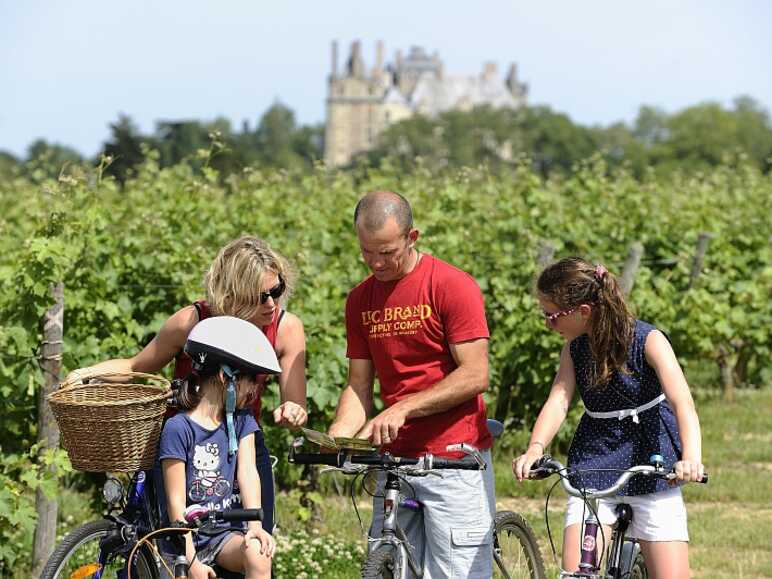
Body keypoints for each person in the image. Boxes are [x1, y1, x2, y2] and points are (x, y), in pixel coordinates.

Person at [67, 236, 307, 532]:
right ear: (231, 296)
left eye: (276, 290)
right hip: (184, 446)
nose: (271, 303)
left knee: (254, 545)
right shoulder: (192, 321)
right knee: (179, 548)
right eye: (259, 297)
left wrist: (293, 411)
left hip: (240, 447)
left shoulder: (286, 328)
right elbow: (134, 366)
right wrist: (86, 373)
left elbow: (296, 407)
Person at [328, 190, 495, 578]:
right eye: (366, 251)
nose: (375, 262)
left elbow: (475, 373)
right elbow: (358, 386)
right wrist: (338, 438)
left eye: (386, 252)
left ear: (412, 237)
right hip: (393, 461)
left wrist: (403, 407)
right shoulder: (359, 301)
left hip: (453, 459)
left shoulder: (451, 286)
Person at [512, 257, 704, 579]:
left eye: (552, 316)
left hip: (652, 458)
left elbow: (682, 401)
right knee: (576, 573)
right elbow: (559, 400)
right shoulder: (574, 350)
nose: (547, 323)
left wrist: (692, 458)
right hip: (595, 458)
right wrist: (535, 447)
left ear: (582, 312)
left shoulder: (649, 340)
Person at [160, 315, 278, 579]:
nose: (255, 391)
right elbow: (175, 502)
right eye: (251, 381)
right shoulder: (178, 428)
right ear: (227, 378)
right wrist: (190, 563)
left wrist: (255, 526)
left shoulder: (242, 420)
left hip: (222, 536)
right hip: (182, 540)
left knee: (258, 552)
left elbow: (247, 472)